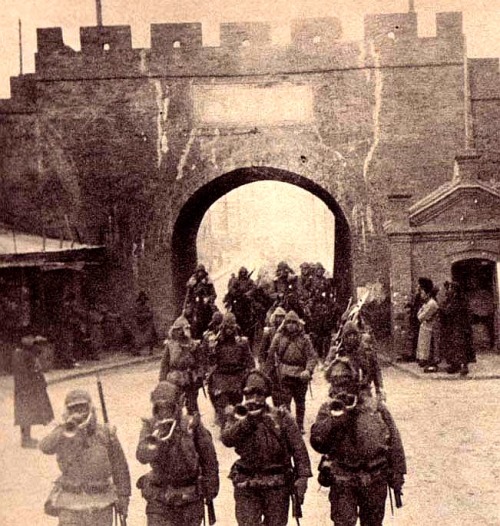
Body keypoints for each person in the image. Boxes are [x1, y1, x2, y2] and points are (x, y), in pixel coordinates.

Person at [310, 358, 407, 526]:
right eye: (336, 384)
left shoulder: (375, 407)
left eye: (345, 383)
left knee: (373, 522)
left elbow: (394, 441)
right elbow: (318, 442)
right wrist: (334, 421)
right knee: (343, 522)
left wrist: (398, 473)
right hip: (343, 477)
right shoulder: (328, 409)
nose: (340, 389)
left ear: (355, 382)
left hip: (374, 476)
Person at [221, 370, 312, 526]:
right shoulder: (237, 415)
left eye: (260, 394)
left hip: (276, 484)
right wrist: (247, 421)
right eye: (249, 394)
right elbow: (227, 439)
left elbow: (299, 449)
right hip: (246, 481)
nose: (254, 399)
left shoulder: (282, 417)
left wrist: (302, 478)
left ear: (267, 395)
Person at [39, 389, 131, 525]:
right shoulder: (63, 432)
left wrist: (123, 497)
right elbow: (45, 447)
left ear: (91, 408)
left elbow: (120, 467)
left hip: (101, 501)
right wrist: (65, 428)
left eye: (82, 408)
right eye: (73, 409)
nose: (79, 413)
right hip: (71, 501)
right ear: (67, 411)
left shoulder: (105, 433)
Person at [136, 381, 219, 526]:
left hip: (189, 495)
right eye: (159, 409)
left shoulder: (192, 424)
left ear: (177, 406)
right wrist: (155, 443)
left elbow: (209, 458)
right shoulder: (149, 426)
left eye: (168, 408)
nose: (164, 413)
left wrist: (210, 487)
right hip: (159, 495)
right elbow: (141, 457)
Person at [264, 310, 318, 434]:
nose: (291, 325)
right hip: (284, 374)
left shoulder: (305, 339)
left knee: (300, 402)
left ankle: (299, 425)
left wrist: (308, 370)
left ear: (298, 324)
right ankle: (288, 425)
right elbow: (271, 356)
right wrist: (265, 374)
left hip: (300, 375)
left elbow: (312, 357)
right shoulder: (278, 337)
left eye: (294, 322)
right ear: (285, 323)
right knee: (285, 402)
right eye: (289, 322)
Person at [206, 312, 254, 428]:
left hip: (237, 376)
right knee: (222, 403)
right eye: (227, 327)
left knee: (236, 403)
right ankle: (224, 426)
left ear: (235, 327)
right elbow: (210, 361)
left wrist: (252, 373)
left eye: (231, 327)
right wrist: (211, 349)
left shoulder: (242, 342)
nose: (229, 330)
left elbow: (249, 359)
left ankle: (234, 426)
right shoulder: (216, 342)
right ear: (223, 327)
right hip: (221, 376)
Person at [325, 320, 385, 402]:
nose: (352, 337)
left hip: (362, 390)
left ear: (358, 335)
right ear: (344, 337)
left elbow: (376, 370)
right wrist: (335, 363)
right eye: (348, 335)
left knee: (371, 410)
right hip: (340, 390)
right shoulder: (337, 351)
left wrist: (380, 389)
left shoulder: (366, 352)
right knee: (328, 411)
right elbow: (327, 372)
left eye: (354, 334)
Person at [12, 335, 54, 448]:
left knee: (30, 414)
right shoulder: (19, 353)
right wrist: (27, 388)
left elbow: (38, 353)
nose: (31, 340)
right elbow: (22, 374)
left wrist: (38, 342)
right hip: (25, 389)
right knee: (25, 414)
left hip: (32, 387)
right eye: (28, 338)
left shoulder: (28, 350)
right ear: (21, 339)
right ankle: (25, 440)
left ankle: (27, 438)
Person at [159, 315, 204, 415]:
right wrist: (162, 381)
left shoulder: (194, 345)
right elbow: (164, 364)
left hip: (190, 380)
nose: (180, 332)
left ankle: (195, 427)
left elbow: (200, 362)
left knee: (192, 407)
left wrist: (200, 376)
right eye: (177, 330)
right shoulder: (170, 345)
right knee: (174, 407)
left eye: (182, 329)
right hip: (174, 379)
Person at [440, 281, 471, 375]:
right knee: (453, 346)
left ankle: (464, 366)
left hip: (460, 327)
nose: (449, 290)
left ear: (454, 290)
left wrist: (442, 308)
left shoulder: (459, 300)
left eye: (450, 288)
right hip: (453, 327)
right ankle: (455, 365)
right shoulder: (452, 299)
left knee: (461, 346)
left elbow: (449, 311)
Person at [184, 264, 217, 339]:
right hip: (195, 303)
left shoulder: (208, 282)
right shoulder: (192, 282)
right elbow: (188, 295)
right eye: (199, 272)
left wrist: (208, 299)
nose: (200, 273)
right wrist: (187, 305)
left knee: (215, 314)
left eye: (202, 272)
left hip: (206, 303)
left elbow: (214, 294)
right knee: (187, 315)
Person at [416, 277, 440, 372]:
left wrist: (422, 311)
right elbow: (419, 315)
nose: (421, 295)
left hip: (430, 329)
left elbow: (420, 317)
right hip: (426, 328)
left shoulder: (431, 304)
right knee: (425, 346)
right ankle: (427, 362)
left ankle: (432, 364)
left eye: (422, 293)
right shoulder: (427, 303)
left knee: (431, 347)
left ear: (428, 293)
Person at [132, 291, 158, 356]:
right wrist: (144, 316)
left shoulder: (147, 307)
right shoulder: (137, 307)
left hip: (148, 324)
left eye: (144, 298)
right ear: (140, 299)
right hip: (140, 325)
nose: (143, 300)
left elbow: (151, 314)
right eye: (141, 298)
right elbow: (136, 315)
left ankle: (150, 351)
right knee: (139, 338)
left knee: (151, 336)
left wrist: (147, 315)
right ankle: (137, 351)